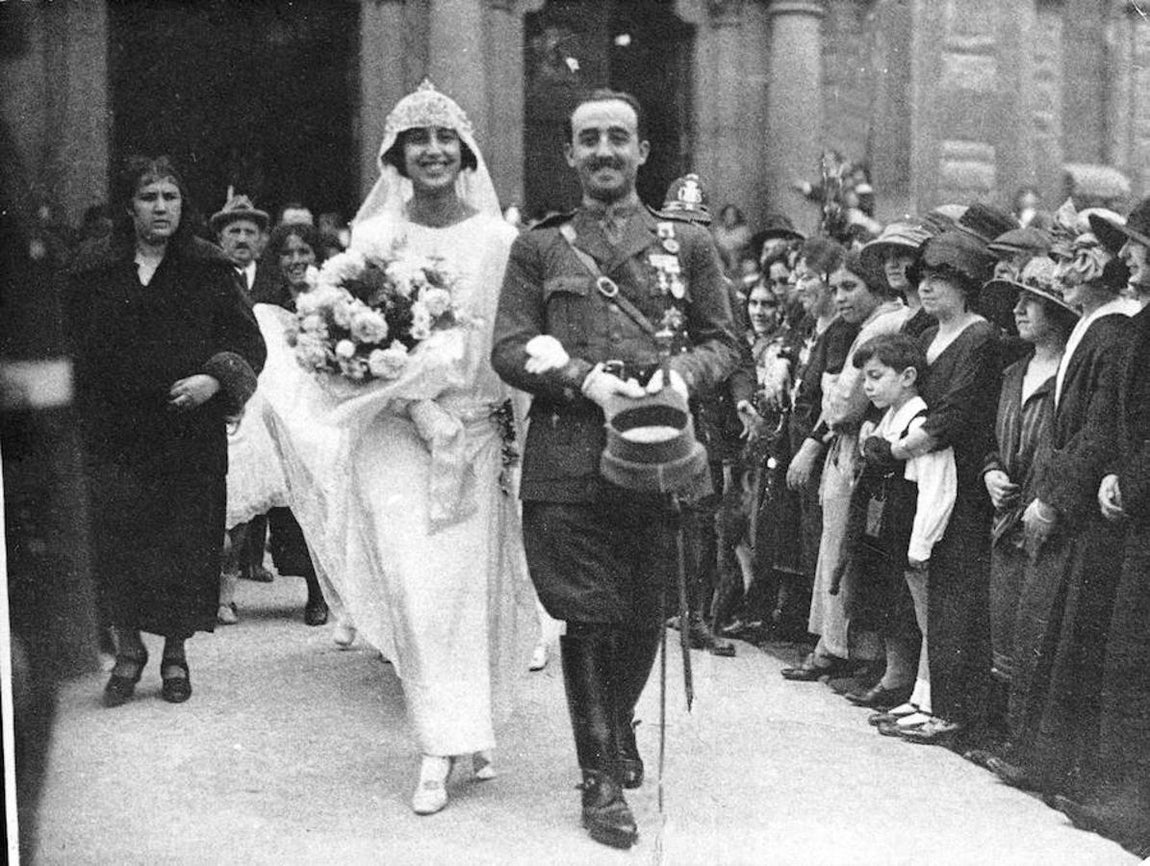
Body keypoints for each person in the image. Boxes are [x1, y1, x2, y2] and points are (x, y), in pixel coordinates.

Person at [491, 89, 740, 850]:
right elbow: (509, 346)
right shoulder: (540, 247)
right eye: (589, 138)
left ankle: (616, 719)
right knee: (586, 613)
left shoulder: (686, 244)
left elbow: (723, 342)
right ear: (569, 153)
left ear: (642, 152)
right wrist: (584, 381)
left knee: (642, 611)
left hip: (656, 454)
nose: (604, 150)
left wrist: (679, 378)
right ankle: (597, 776)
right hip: (569, 456)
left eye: (618, 138)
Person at [275, 81, 526, 816]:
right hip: (391, 431)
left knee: (464, 590)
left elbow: (506, 346)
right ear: (396, 155)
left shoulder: (497, 242)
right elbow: (339, 344)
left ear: (466, 152)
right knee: (415, 589)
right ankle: (437, 739)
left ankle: (463, 730)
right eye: (419, 140)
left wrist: (509, 432)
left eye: (446, 138)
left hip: (468, 431)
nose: (434, 151)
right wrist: (402, 393)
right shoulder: (373, 239)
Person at [65, 155, 265, 706]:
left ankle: (175, 653)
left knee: (185, 541)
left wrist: (213, 379)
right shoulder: (92, 270)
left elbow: (249, 343)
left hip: (187, 435)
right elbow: (69, 343)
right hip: (114, 434)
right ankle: (129, 652)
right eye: (149, 197)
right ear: (129, 207)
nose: (160, 208)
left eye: (170, 197)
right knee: (117, 538)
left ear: (183, 205)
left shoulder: (209, 268)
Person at [883, 228, 1001, 744]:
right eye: (923, 278)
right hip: (926, 474)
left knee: (955, 593)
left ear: (966, 284)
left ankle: (952, 708)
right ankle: (925, 695)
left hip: (962, 478)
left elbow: (957, 411)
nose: (926, 288)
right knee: (925, 590)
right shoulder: (929, 335)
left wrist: (900, 446)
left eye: (939, 280)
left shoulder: (980, 338)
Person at [781, 247, 909, 682]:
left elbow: (844, 404)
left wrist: (830, 396)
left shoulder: (883, 324)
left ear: (875, 286)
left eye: (850, 287)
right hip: (847, 444)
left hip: (854, 446)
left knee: (842, 547)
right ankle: (837, 645)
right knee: (839, 546)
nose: (839, 298)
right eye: (834, 288)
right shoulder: (868, 324)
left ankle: (837, 647)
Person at [972, 258, 1075, 757]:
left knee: (1034, 631)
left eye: (1031, 302)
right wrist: (991, 471)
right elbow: (992, 439)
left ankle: (1023, 744)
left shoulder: (1069, 377)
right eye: (1017, 301)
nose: (1019, 310)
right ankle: (1003, 735)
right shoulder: (1012, 373)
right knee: (1003, 631)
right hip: (1005, 520)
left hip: (1044, 521)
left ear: (1057, 312)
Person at [220, 221, 331, 627]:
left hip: (324, 407)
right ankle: (308, 584)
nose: (297, 260)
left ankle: (323, 592)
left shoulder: (333, 298)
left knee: (324, 496)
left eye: (304, 252)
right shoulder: (264, 303)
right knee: (289, 499)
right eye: (288, 253)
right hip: (283, 407)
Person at [840, 334, 956, 712]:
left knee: (917, 615)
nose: (868, 386)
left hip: (910, 534)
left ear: (907, 377)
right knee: (889, 605)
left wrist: (922, 544)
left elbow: (937, 488)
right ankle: (896, 677)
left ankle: (922, 693)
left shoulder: (920, 425)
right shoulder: (886, 422)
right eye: (864, 378)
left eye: (876, 376)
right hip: (885, 532)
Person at [211, 193, 279, 584]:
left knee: (262, 470)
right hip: (229, 385)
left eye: (249, 232)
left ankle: (253, 558)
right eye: (233, 231)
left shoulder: (274, 282)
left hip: (269, 383)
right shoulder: (211, 277)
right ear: (220, 239)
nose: (241, 239)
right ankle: (229, 568)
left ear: (262, 241)